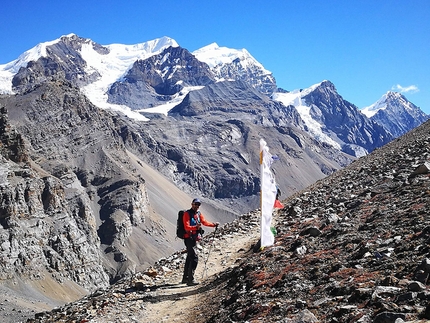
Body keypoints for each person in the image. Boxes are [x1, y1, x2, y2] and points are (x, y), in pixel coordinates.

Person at [182, 198, 219, 286]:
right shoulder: (186, 214)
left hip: (193, 238)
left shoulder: (198, 214)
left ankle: (185, 278)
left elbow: (204, 222)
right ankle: (190, 280)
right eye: (195, 204)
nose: (197, 206)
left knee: (190, 257)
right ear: (192, 204)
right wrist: (196, 227)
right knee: (194, 257)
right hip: (189, 238)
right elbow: (187, 227)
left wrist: (213, 225)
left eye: (198, 205)